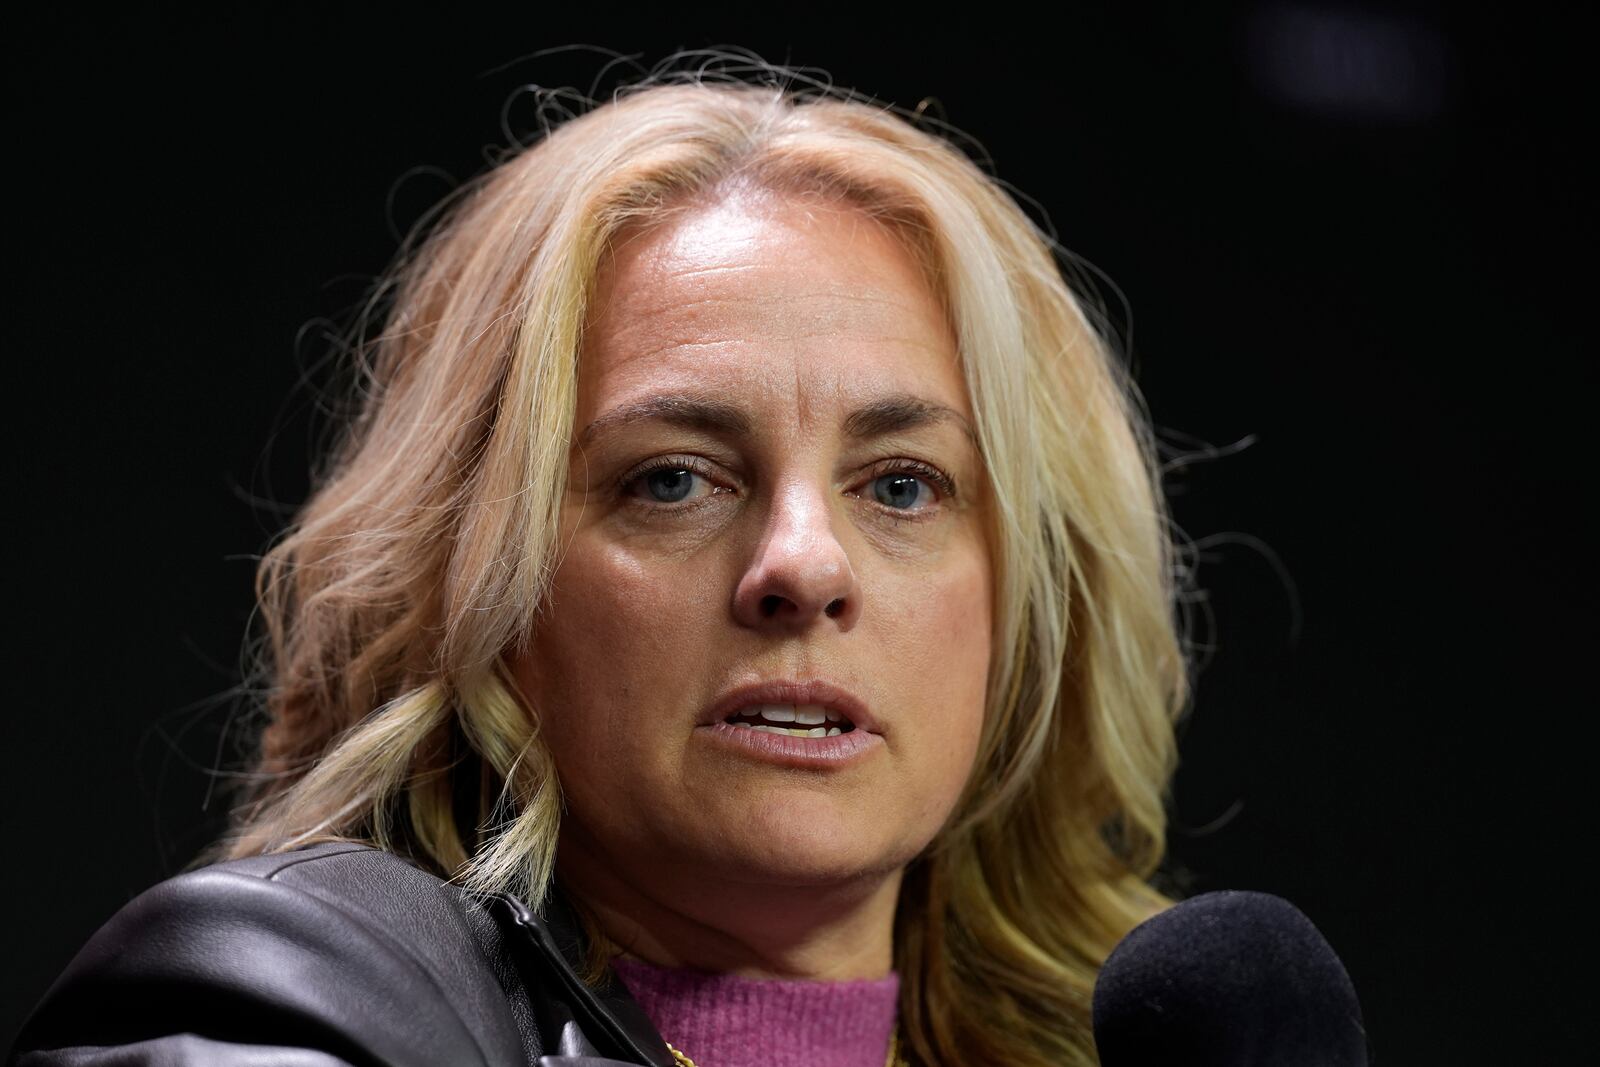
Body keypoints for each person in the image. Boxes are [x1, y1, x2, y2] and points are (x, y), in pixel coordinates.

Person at [9, 61, 1189, 1067]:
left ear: (1026, 598)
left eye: (899, 485)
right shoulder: (289, 1002)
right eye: (672, 477)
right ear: (483, 580)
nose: (802, 565)